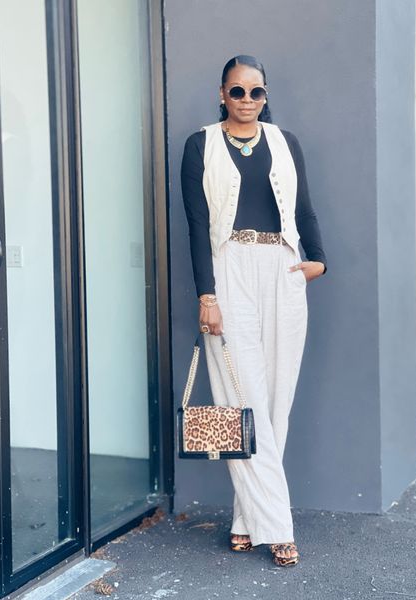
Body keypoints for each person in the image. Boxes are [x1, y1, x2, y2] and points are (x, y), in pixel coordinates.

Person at [181, 54, 327, 567]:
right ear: (221, 93)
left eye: (256, 92)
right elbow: (198, 226)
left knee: (275, 403)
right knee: (240, 400)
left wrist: (319, 263)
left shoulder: (286, 143)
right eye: (237, 91)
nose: (247, 100)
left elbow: (303, 209)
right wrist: (208, 295)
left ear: (266, 96)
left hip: (284, 270)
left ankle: (248, 518)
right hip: (229, 271)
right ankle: (278, 528)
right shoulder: (200, 144)